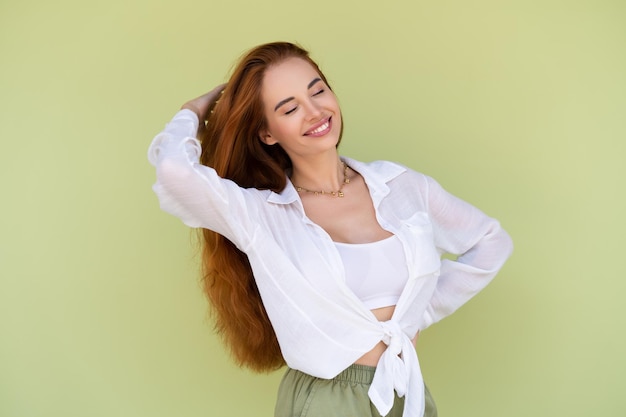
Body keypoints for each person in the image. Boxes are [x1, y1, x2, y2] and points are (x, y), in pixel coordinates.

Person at [147, 41, 513, 417]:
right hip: (326, 401)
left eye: (318, 90)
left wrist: (418, 313)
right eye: (289, 109)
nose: (314, 112)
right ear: (267, 134)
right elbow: (175, 173)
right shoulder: (262, 216)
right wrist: (192, 111)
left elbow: (490, 241)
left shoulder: (401, 186)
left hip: (405, 388)